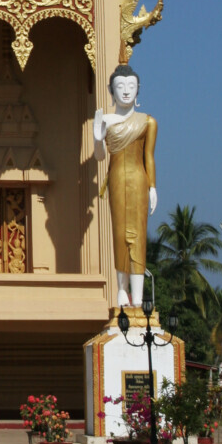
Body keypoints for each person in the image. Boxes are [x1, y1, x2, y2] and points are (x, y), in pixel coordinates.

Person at [93, 64, 157, 309]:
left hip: (140, 180)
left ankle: (138, 296)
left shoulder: (148, 122)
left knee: (138, 235)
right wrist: (98, 138)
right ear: (112, 91)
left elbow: (149, 157)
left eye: (131, 86)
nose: (126, 92)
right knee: (120, 233)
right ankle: (122, 290)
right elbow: (100, 157)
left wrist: (153, 187)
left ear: (138, 90)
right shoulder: (106, 121)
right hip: (117, 178)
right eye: (120, 87)